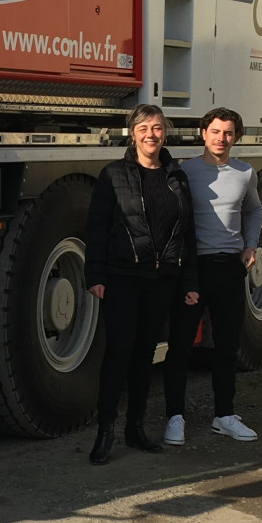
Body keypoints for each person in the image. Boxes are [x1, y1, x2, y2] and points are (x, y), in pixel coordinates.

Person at [85, 104, 198, 465]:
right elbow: (97, 227)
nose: (151, 134)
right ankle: (106, 431)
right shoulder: (113, 174)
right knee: (118, 351)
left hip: (162, 278)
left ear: (166, 133)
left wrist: (189, 280)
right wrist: (95, 275)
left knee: (145, 355)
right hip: (122, 277)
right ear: (132, 133)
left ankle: (136, 428)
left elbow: (188, 233)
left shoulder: (176, 176)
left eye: (158, 128)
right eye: (144, 128)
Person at [163, 107, 262, 446]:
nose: (222, 138)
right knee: (179, 346)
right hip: (191, 269)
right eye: (216, 131)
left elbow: (254, 209)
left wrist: (251, 244)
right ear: (203, 133)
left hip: (229, 268)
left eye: (229, 133)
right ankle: (175, 418)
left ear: (236, 137)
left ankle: (225, 415)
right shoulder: (184, 171)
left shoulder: (245, 173)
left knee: (226, 346)